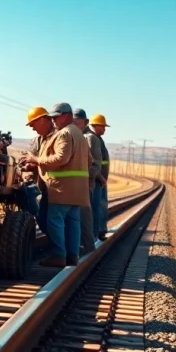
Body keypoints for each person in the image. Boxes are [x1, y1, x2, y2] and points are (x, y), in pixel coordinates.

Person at [21, 103, 90, 267]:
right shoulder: (80, 134)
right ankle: (72, 255)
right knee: (73, 221)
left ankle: (59, 255)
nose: (53, 120)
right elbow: (89, 161)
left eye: (55, 117)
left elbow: (61, 159)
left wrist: (35, 160)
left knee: (54, 220)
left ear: (66, 116)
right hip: (78, 190)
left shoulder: (64, 133)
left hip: (62, 188)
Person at [19, 106, 54, 233]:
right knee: (41, 216)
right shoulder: (37, 140)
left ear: (42, 120)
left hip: (56, 187)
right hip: (41, 185)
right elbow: (32, 157)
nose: (33, 128)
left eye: (34, 125)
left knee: (56, 219)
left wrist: (35, 161)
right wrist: (28, 165)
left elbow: (56, 160)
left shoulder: (59, 136)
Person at [73, 108, 102, 255]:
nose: (74, 122)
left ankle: (89, 248)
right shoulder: (74, 136)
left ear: (85, 122)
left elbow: (96, 163)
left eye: (77, 120)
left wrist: (86, 177)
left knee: (84, 216)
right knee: (74, 217)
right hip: (73, 185)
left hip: (84, 184)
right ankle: (77, 246)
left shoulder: (90, 138)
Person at [90, 114, 111, 240]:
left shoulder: (98, 139)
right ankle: (96, 233)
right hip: (98, 180)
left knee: (101, 206)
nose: (104, 129)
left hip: (101, 180)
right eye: (103, 126)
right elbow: (94, 163)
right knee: (97, 207)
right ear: (96, 125)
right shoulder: (93, 139)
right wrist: (100, 177)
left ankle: (100, 231)